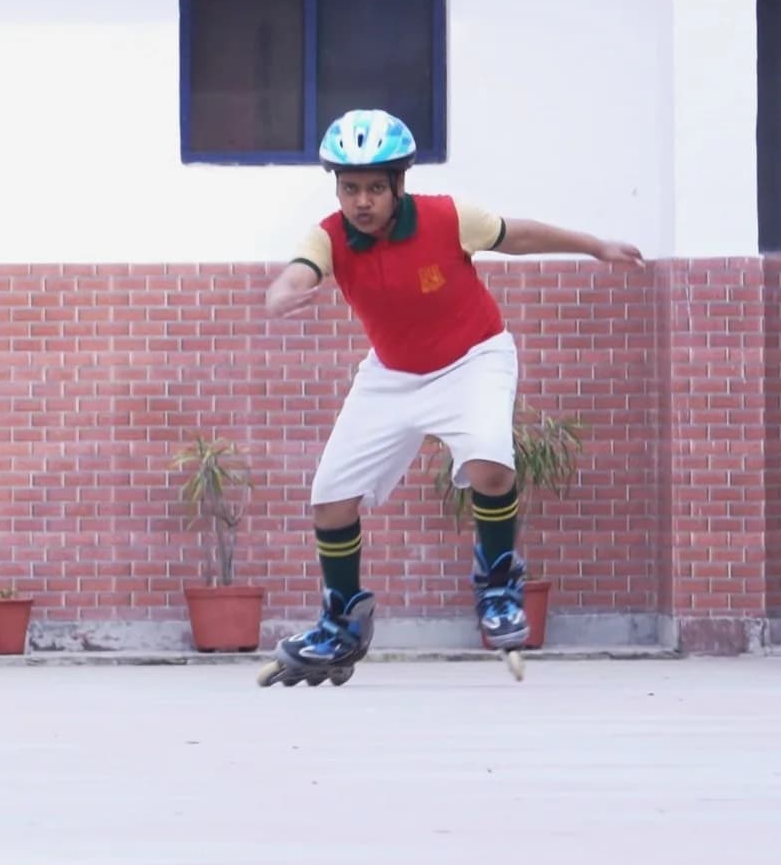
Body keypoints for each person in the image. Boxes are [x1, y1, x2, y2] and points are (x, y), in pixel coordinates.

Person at [258, 108, 643, 684]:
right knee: (330, 500)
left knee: (490, 461)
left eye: (373, 188)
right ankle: (342, 621)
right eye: (350, 188)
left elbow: (522, 235)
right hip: (391, 376)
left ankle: (498, 586)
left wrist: (596, 246)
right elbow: (300, 269)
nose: (361, 201)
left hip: (474, 360)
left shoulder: (448, 217)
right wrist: (282, 294)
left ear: (399, 185)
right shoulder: (330, 236)